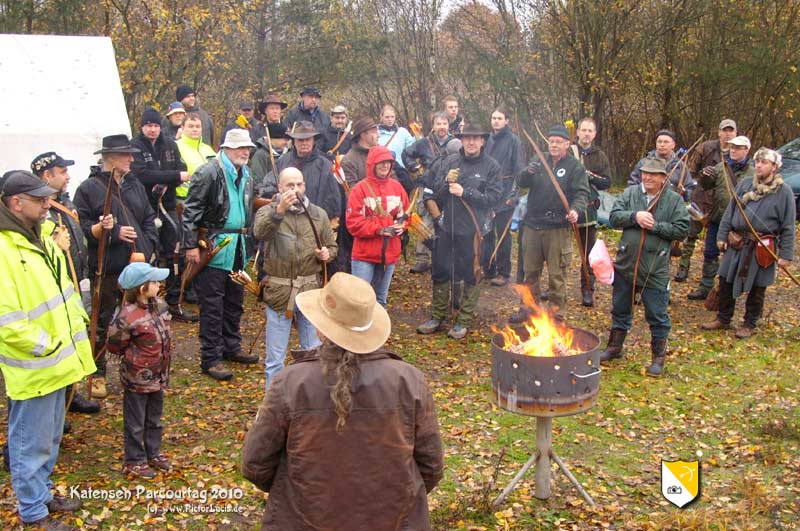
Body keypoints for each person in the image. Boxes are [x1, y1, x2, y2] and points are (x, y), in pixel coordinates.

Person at [242, 273, 444, 531]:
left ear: (319, 327)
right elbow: (432, 467)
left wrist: (305, 495)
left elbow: (255, 464)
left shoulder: (290, 382)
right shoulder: (410, 381)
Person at [1, 170, 95, 531]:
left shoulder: (42, 239)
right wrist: (48, 345)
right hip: (35, 367)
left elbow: (63, 295)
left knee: (50, 439)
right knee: (29, 444)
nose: (47, 204)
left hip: (59, 362)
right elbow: (7, 321)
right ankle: (33, 513)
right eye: (39, 200)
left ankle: (41, 495)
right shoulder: (5, 251)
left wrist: (74, 333)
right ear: (15, 203)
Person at [74, 135, 158, 399]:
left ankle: (136, 368)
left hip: (139, 265)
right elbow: (83, 228)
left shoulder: (134, 185)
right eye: (126, 155)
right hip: (109, 267)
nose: (132, 159)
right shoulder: (88, 189)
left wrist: (148, 247)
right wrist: (112, 232)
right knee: (102, 322)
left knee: (139, 319)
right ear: (110, 158)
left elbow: (148, 218)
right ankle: (96, 374)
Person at [599, 158, 689, 377]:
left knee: (657, 314)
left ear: (663, 178)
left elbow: (682, 229)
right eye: (645, 173)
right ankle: (614, 347)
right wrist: (634, 216)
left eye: (653, 174)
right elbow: (613, 217)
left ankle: (658, 358)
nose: (647, 177)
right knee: (620, 308)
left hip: (655, 268)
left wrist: (656, 226)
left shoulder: (673, 200)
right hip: (626, 264)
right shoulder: (630, 194)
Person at [183, 129, 258, 381]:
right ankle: (210, 358)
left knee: (234, 301)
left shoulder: (246, 173)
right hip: (213, 246)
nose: (245, 152)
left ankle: (231, 347)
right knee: (212, 305)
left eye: (247, 148)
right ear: (226, 148)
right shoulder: (208, 172)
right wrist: (190, 245)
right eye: (239, 148)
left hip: (238, 247)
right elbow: (191, 210)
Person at [252, 167, 336, 388]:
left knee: (314, 355)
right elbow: (260, 234)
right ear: (280, 187)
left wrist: (327, 254)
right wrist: (278, 211)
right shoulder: (267, 211)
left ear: (305, 185)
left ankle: (312, 401)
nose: (295, 189)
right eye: (290, 185)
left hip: (310, 292)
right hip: (279, 294)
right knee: (275, 360)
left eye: (299, 184)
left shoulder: (318, 214)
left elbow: (332, 246)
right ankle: (273, 406)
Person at [417, 124, 503, 339]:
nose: (471, 142)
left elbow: (494, 199)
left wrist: (467, 192)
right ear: (462, 140)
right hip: (447, 226)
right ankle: (438, 316)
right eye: (467, 138)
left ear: (483, 141)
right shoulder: (451, 161)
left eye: (475, 138)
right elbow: (435, 193)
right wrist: (446, 184)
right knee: (441, 269)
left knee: (471, 272)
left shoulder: (491, 166)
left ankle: (463, 319)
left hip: (473, 230)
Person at [30, 152, 100, 415]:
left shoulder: (63, 201)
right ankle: (60, 399)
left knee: (74, 334)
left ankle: (71, 392)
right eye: (62, 171)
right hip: (55, 285)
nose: (68, 176)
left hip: (75, 279)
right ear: (47, 175)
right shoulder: (42, 211)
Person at [701, 148, 795, 339]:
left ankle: (749, 323)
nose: (759, 165)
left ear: (775, 167)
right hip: (737, 242)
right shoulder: (745, 184)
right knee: (725, 279)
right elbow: (730, 212)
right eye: (757, 161)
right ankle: (723, 318)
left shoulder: (784, 191)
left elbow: (788, 225)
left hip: (763, 246)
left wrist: (786, 255)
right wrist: (722, 236)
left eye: (764, 162)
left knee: (758, 285)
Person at [509, 124, 590, 322]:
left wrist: (575, 210)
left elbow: (582, 193)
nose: (553, 145)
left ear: (567, 144)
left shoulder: (574, 167)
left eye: (558, 142)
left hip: (557, 228)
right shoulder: (539, 159)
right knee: (530, 273)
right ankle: (529, 309)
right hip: (532, 225)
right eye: (551, 141)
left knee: (556, 275)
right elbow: (521, 181)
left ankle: (556, 315)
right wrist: (528, 172)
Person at [106, 262, 173, 479]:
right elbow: (115, 344)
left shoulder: (160, 306)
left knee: (154, 417)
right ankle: (134, 459)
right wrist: (134, 361)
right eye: (153, 282)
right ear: (141, 288)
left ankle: (153, 452)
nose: (158, 284)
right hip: (137, 379)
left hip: (158, 375)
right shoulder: (127, 316)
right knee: (135, 420)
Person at [130, 108, 197, 322]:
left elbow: (183, 170)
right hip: (143, 211)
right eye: (149, 125)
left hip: (167, 207)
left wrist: (172, 177)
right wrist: (173, 176)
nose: (153, 129)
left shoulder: (169, 144)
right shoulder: (135, 146)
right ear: (142, 127)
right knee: (147, 255)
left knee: (175, 253)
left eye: (156, 125)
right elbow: (142, 175)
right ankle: (145, 305)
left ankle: (174, 302)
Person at [688, 135, 753, 301]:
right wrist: (704, 177)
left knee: (735, 258)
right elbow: (706, 186)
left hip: (741, 223)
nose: (733, 150)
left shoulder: (752, 172)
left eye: (738, 148)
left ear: (746, 150)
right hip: (717, 219)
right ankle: (705, 287)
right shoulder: (720, 167)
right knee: (710, 253)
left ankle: (729, 291)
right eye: (732, 147)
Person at [675, 119, 737, 282]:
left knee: (719, 241)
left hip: (722, 205)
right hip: (700, 199)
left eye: (731, 131)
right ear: (719, 132)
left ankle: (718, 276)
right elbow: (691, 172)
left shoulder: (737, 152)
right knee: (691, 234)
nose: (727, 134)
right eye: (724, 130)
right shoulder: (705, 147)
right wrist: (700, 180)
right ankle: (683, 266)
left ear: (736, 133)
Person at [347, 146, 409, 307]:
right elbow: (353, 223)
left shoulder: (397, 187)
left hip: (390, 253)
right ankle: (359, 332)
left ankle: (378, 332)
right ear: (372, 164)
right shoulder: (359, 189)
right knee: (360, 301)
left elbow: (405, 215)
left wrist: (402, 226)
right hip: (364, 255)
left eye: (388, 162)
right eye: (381, 162)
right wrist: (379, 230)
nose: (385, 166)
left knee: (380, 300)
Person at [402, 112, 454, 274]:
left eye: (444, 124)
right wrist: (415, 169)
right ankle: (422, 259)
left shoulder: (454, 143)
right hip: (427, 186)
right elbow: (406, 154)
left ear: (448, 125)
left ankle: (442, 258)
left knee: (446, 220)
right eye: (438, 124)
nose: (442, 127)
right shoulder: (424, 143)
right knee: (425, 222)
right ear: (433, 126)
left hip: (447, 189)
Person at [482, 106, 526, 287]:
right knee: (486, 233)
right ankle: (488, 268)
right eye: (494, 118)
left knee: (503, 234)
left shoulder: (514, 141)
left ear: (506, 121)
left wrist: (514, 196)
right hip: (487, 192)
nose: (496, 121)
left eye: (500, 118)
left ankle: (503, 272)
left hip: (505, 193)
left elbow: (519, 170)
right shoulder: (486, 139)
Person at [266, 121, 342, 222]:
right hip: (286, 223)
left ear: (314, 140)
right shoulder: (282, 162)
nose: (304, 143)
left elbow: (333, 199)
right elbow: (268, 187)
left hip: (314, 222)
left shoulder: (325, 165)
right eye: (300, 140)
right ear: (294, 141)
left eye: (308, 139)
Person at [572, 117, 612, 306]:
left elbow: (606, 182)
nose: (586, 134)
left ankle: (588, 288)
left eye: (590, 131)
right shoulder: (568, 151)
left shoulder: (600, 156)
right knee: (556, 251)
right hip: (566, 206)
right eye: (583, 130)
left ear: (594, 134)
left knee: (587, 252)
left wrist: (588, 175)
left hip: (588, 208)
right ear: (577, 132)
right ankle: (554, 287)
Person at [628, 129, 695, 199]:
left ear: (673, 145)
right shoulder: (644, 163)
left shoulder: (680, 166)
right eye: (659, 142)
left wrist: (684, 193)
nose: (662, 145)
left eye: (666, 142)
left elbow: (690, 189)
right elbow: (632, 185)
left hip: (672, 205)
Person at [175, 112, 217, 187]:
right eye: (190, 126)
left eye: (198, 127)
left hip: (208, 196)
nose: (195, 129)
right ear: (182, 128)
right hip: (184, 197)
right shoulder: (175, 147)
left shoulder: (208, 149)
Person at [249, 122, 290, 198]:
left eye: (288, 139)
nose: (286, 142)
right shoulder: (260, 155)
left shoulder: (288, 154)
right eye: (284, 139)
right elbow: (257, 181)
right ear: (272, 139)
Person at [341, 117, 379, 187]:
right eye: (374, 132)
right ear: (363, 135)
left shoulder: (381, 155)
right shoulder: (349, 160)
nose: (378, 136)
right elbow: (352, 192)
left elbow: (392, 180)